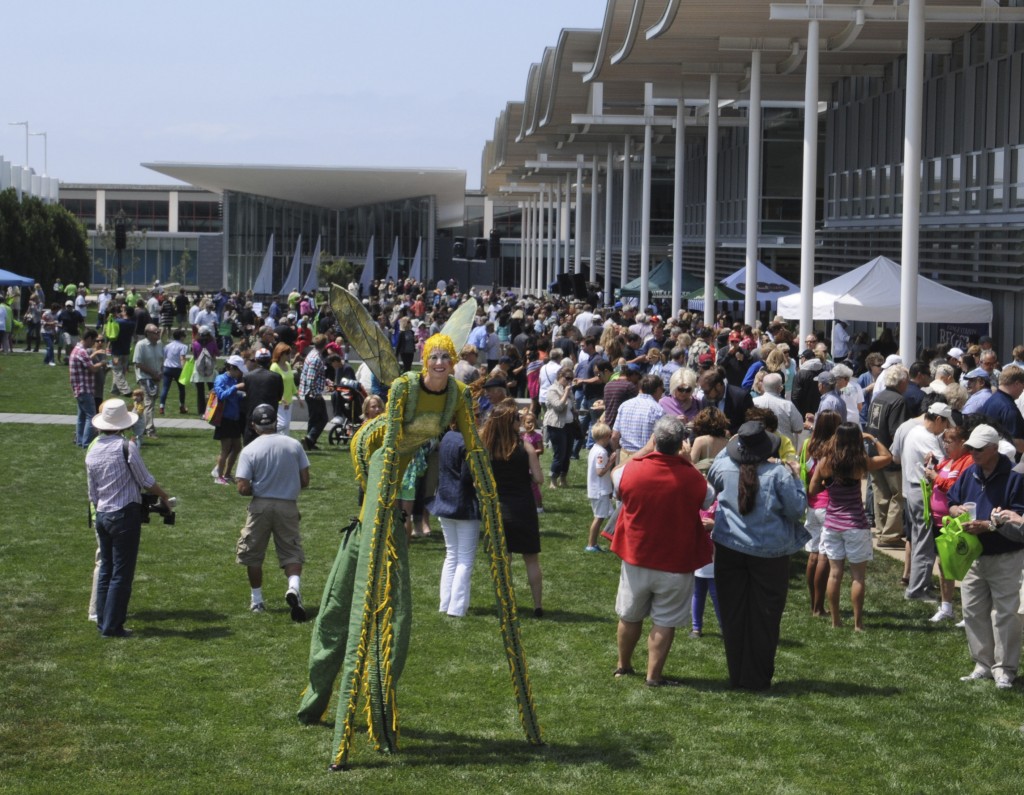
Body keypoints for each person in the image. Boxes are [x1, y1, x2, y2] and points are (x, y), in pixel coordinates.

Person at [297, 335, 540, 767]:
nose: (443, 363)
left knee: (374, 568)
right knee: (367, 588)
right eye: (436, 357)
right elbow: (388, 448)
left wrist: (489, 492)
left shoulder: (459, 395)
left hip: (405, 464)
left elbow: (474, 444)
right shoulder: (406, 388)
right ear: (425, 361)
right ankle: (343, 733)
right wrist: (389, 508)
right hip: (376, 454)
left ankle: (373, 704)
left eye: (448, 356)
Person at [611, 415, 715, 687]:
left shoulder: (630, 472)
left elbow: (616, 475)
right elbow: (708, 496)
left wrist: (646, 449)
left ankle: (623, 666)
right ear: (682, 442)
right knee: (665, 621)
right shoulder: (694, 478)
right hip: (676, 561)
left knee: (629, 615)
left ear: (655, 440)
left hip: (637, 556)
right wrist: (688, 461)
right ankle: (653, 676)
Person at [706, 421, 809, 690]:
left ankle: (737, 675)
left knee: (732, 614)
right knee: (765, 617)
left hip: (729, 549)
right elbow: (797, 509)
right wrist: (797, 476)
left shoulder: (724, 466)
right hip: (770, 554)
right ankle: (758, 677)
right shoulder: (779, 474)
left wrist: (736, 442)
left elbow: (715, 470)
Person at [86, 399, 172, 637]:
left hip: (102, 513)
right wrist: (164, 497)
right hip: (123, 515)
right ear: (122, 425)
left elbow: (92, 492)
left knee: (106, 570)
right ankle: (113, 626)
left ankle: (103, 620)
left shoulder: (93, 450)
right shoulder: (126, 447)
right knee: (121, 574)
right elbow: (145, 480)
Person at [948, 424, 1024, 689]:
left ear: (994, 449)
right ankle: (982, 664)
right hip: (973, 555)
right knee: (973, 611)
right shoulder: (970, 472)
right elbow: (953, 500)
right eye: (971, 448)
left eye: (979, 449)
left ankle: (1005, 669)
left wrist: (989, 525)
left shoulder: (1015, 477)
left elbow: (1018, 516)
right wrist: (956, 510)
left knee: (1005, 614)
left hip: (1005, 556)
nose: (974, 452)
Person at [809, 423, 893, 630]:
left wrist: (824, 484)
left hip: (832, 524)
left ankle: (835, 621)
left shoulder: (826, 462)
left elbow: (812, 489)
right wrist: (872, 439)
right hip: (855, 524)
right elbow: (888, 456)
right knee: (858, 577)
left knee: (835, 574)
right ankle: (858, 623)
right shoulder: (861, 463)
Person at [234, 403, 310, 620]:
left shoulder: (249, 449)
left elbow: (242, 487)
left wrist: (260, 486)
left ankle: (257, 600)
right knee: (292, 551)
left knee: (253, 552)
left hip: (260, 506)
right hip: (288, 505)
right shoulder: (294, 445)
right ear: (275, 422)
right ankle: (293, 588)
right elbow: (305, 480)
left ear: (254, 425)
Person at [890, 403, 957, 603]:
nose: (945, 430)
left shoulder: (915, 431)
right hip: (921, 492)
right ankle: (917, 590)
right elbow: (944, 463)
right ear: (938, 419)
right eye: (945, 424)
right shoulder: (926, 437)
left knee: (920, 540)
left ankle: (917, 587)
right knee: (924, 543)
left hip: (913, 489)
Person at [482, 399, 544, 615]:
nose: (520, 420)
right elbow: (539, 478)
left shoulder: (488, 448)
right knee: (531, 559)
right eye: (517, 418)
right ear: (510, 422)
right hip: (524, 507)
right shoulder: (525, 446)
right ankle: (537, 605)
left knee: (503, 559)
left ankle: (506, 603)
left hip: (499, 508)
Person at [427, 425, 480, 618]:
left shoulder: (447, 436)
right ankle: (456, 608)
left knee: (452, 555)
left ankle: (445, 603)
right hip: (463, 503)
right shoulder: (467, 442)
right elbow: (468, 476)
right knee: (464, 559)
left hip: (444, 500)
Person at [866, 364, 909, 548]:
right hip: (890, 456)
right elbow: (896, 432)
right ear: (902, 381)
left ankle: (881, 529)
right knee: (897, 495)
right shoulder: (898, 400)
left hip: (874, 453)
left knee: (880, 494)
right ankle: (890, 535)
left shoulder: (879, 396)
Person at [213, 355, 247, 484]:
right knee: (225, 448)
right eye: (238, 370)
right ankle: (219, 476)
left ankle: (227, 474)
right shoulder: (220, 379)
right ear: (232, 368)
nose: (240, 373)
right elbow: (221, 395)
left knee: (237, 447)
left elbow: (233, 397)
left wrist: (242, 395)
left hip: (234, 418)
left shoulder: (233, 380)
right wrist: (236, 388)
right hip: (224, 419)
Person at [70, 329, 107, 448]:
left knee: (81, 417)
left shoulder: (76, 350)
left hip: (79, 389)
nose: (94, 343)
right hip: (84, 389)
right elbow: (92, 368)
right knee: (91, 416)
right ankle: (86, 443)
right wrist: (102, 364)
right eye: (94, 340)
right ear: (89, 338)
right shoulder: (82, 352)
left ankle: (80, 441)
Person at [543, 361, 576, 488]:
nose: (569, 381)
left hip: (569, 425)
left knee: (567, 454)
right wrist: (566, 393)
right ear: (559, 377)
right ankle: (553, 480)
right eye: (567, 378)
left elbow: (572, 405)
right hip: (556, 425)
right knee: (559, 454)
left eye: (571, 379)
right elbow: (558, 406)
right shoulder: (553, 390)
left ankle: (563, 478)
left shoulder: (568, 389)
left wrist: (575, 410)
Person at [585, 422, 617, 552]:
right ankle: (591, 544)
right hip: (600, 490)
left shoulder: (594, 448)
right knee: (599, 517)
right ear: (605, 437)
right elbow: (600, 472)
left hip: (598, 490)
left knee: (611, 515)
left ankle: (613, 539)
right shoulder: (601, 453)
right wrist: (611, 461)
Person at [242, 347, 284, 445]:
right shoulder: (276, 377)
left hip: (252, 418)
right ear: (270, 360)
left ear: (256, 360)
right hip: (270, 417)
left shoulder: (248, 377)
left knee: (250, 447)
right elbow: (279, 396)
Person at [298, 334, 330, 451]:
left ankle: (309, 442)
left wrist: (326, 381)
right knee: (323, 418)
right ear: (324, 345)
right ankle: (310, 438)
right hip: (312, 393)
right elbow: (311, 378)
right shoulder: (316, 358)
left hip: (310, 392)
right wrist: (314, 393)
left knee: (314, 418)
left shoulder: (313, 354)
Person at [159, 328, 189, 415]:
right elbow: (182, 358)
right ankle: (182, 406)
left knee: (165, 388)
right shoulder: (183, 346)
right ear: (181, 337)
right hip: (178, 369)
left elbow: (164, 357)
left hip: (167, 368)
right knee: (181, 389)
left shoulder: (167, 346)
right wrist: (184, 370)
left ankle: (161, 406)